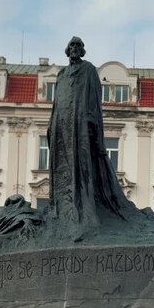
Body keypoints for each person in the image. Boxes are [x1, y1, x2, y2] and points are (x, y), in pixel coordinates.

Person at [47, 36, 139, 235]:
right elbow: (56, 103)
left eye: (78, 45)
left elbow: (94, 97)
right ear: (67, 49)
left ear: (83, 50)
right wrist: (52, 125)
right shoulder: (61, 74)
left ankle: (83, 211)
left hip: (80, 124)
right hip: (62, 126)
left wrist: (90, 120)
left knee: (83, 167)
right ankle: (63, 211)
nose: (75, 48)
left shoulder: (88, 69)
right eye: (72, 45)